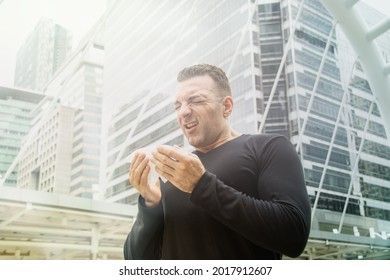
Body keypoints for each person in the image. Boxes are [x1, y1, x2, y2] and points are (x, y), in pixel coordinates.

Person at [124, 64, 311, 259]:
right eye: (177, 106)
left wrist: (201, 185)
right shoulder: (172, 172)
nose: (183, 112)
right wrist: (150, 205)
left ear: (227, 106)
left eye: (195, 100)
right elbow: (135, 260)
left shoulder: (268, 147)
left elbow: (294, 235)